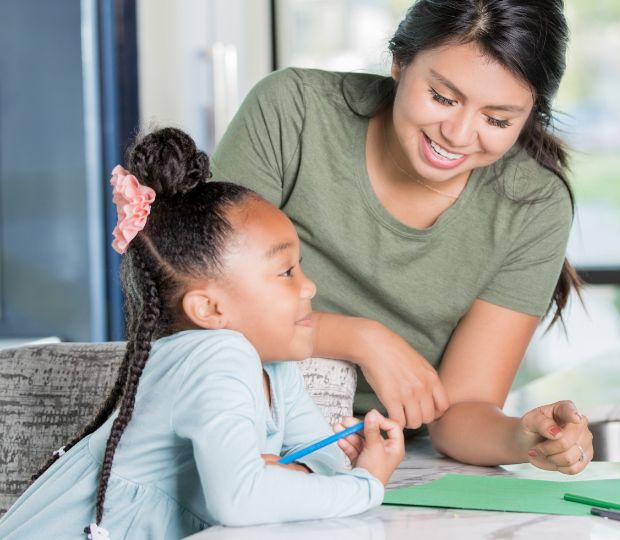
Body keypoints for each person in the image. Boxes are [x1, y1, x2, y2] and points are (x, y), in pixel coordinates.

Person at [211, 0, 593, 473]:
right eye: (443, 97)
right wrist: (362, 339)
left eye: (497, 120)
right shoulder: (292, 113)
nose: (457, 134)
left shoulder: (533, 205)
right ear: (399, 61)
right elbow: (201, 300)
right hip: (232, 429)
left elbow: (457, 415)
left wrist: (525, 439)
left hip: (376, 462)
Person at [0, 128, 404, 539]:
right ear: (209, 309)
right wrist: (365, 485)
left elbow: (328, 462)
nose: (309, 286)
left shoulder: (276, 371)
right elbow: (241, 499)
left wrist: (294, 474)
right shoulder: (216, 356)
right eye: (286, 271)